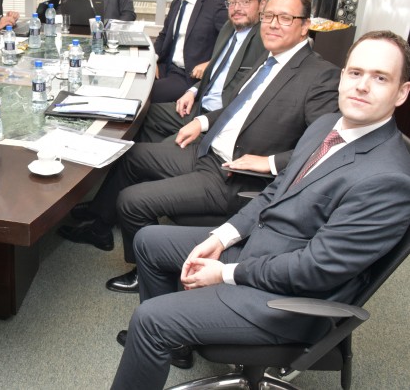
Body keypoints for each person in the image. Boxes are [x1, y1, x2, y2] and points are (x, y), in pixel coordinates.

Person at [111, 30, 410, 389]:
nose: (362, 86)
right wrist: (222, 237)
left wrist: (226, 273)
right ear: (343, 75)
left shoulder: (388, 178)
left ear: (402, 92)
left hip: (289, 301)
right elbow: (276, 191)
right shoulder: (327, 126)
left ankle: (163, 332)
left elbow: (315, 270)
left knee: (150, 319)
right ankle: (175, 345)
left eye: (380, 78)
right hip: (264, 250)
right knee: (148, 240)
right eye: (355, 72)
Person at [59, 0, 340, 295]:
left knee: (132, 201)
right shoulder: (269, 58)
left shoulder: (320, 75)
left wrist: (270, 163)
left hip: (233, 175)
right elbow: (240, 105)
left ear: (304, 25)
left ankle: (148, 274)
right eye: (269, 16)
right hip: (208, 149)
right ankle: (102, 226)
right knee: (130, 154)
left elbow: (326, 144)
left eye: (285, 18)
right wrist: (202, 121)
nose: (273, 24)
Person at [136, 0, 267, 143]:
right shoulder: (228, 29)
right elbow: (218, 70)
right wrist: (193, 91)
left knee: (141, 153)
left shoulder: (265, 39)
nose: (237, 8)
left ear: (262, 5)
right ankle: (159, 154)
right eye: (232, 2)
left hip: (219, 118)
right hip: (200, 104)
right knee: (147, 113)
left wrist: (205, 120)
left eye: (245, 2)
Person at [152, 0, 228, 103]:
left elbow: (232, 42)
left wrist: (210, 63)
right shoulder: (176, 3)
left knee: (145, 94)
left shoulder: (215, 6)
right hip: (165, 67)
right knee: (133, 82)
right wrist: (153, 59)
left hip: (187, 76)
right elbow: (163, 35)